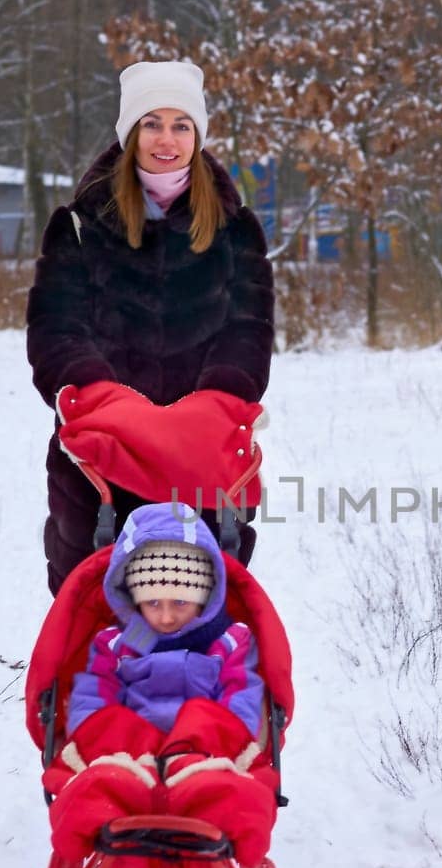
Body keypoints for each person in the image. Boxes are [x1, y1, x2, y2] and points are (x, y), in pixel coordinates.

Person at [26, 60, 274, 595]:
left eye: (181, 124)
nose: (167, 139)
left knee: (198, 603)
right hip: (103, 445)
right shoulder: (80, 225)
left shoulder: (235, 229)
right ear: (130, 131)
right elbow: (55, 327)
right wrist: (106, 400)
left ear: (198, 134)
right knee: (91, 604)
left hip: (201, 447)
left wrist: (211, 404)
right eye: (152, 123)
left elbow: (249, 329)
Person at [47, 502, 277, 866]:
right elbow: (92, 696)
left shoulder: (229, 640)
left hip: (204, 758)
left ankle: (206, 788)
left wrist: (227, 744)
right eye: (152, 602)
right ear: (132, 597)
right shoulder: (116, 642)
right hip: (128, 756)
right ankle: (112, 788)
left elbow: (243, 699)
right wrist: (94, 734)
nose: (166, 616)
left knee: (210, 717)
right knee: (104, 721)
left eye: (181, 602)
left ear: (205, 595)